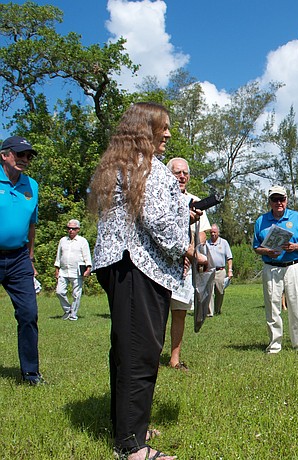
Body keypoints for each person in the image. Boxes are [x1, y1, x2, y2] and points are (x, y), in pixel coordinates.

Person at [90, 102, 205, 460]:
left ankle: (128, 426)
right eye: (163, 127)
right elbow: (158, 223)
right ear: (145, 129)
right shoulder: (148, 166)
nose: (168, 134)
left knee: (126, 350)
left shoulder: (125, 162)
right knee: (140, 353)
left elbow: (147, 213)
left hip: (121, 264)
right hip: (138, 266)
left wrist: (179, 212)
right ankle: (133, 446)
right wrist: (185, 248)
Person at [0, 135, 43, 385]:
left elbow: (31, 225)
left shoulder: (31, 186)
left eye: (28, 156)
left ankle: (31, 373)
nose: (25, 159)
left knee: (28, 313)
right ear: (4, 154)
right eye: (20, 154)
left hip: (18, 259)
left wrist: (30, 257)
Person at [165, 157, 211, 371]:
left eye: (185, 173)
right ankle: (150, 357)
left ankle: (174, 359)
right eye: (177, 172)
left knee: (180, 312)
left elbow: (202, 233)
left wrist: (191, 251)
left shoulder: (195, 200)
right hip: (163, 265)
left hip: (185, 267)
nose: (182, 176)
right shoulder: (162, 199)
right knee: (157, 313)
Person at [253, 185, 298, 353]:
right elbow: (256, 247)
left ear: (287, 200)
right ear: (269, 201)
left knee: (296, 305)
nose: (279, 202)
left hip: (293, 266)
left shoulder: (297, 218)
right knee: (272, 305)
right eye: (275, 199)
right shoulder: (261, 221)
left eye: (282, 199)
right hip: (271, 267)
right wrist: (267, 251)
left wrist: (294, 246)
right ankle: (275, 344)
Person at [54, 219, 92, 321]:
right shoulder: (63, 240)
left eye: (73, 229)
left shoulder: (82, 241)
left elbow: (87, 256)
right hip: (64, 271)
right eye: (69, 228)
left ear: (78, 229)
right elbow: (58, 256)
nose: (71, 230)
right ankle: (68, 310)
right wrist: (57, 269)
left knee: (76, 294)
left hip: (77, 271)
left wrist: (88, 269)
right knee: (59, 292)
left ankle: (73, 315)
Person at [206, 224, 233, 315]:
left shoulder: (224, 243)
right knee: (209, 292)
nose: (213, 234)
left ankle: (217, 310)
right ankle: (210, 312)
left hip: (220, 271)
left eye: (214, 232)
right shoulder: (206, 243)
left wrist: (230, 270)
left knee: (220, 291)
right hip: (209, 271)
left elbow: (229, 258)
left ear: (218, 232)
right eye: (211, 232)